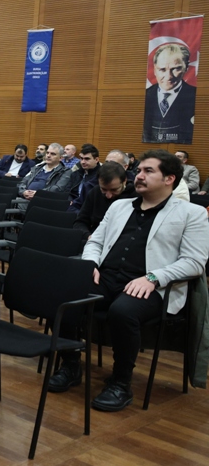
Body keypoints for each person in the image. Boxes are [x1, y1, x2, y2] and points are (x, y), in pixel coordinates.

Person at [48, 150, 209, 411]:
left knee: (123, 311)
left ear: (169, 179)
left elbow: (194, 262)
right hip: (106, 276)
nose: (139, 175)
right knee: (66, 293)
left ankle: (121, 383)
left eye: (148, 171)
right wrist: (91, 264)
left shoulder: (192, 213)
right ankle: (70, 365)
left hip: (153, 286)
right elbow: (96, 241)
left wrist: (154, 278)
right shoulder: (120, 206)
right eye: (140, 170)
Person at [143, 43, 196, 144]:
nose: (168, 77)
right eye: (162, 69)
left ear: (186, 67)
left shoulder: (195, 97)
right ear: (154, 69)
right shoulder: (145, 96)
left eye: (176, 69)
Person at [72, 162, 136, 235]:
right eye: (104, 189)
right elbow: (80, 222)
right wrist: (88, 236)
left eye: (114, 190)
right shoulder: (95, 192)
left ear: (124, 181)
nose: (108, 195)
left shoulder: (136, 196)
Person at [67, 144, 101, 212]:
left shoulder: (101, 176)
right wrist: (70, 201)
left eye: (87, 159)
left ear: (96, 159)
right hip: (73, 206)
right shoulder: (75, 174)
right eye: (81, 158)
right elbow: (68, 191)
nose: (83, 162)